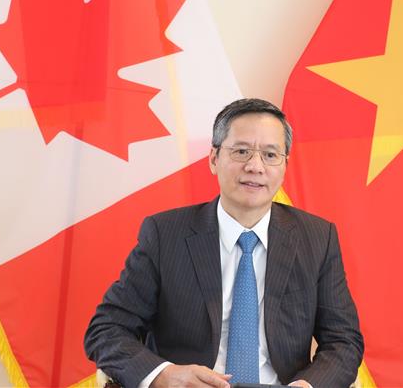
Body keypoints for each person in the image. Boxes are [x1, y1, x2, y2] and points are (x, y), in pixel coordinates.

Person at [84, 98, 363, 388]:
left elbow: (344, 342)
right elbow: (106, 329)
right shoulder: (164, 234)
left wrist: (308, 386)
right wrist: (165, 375)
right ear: (214, 159)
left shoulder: (317, 238)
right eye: (241, 151)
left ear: (284, 165)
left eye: (270, 155)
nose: (255, 166)